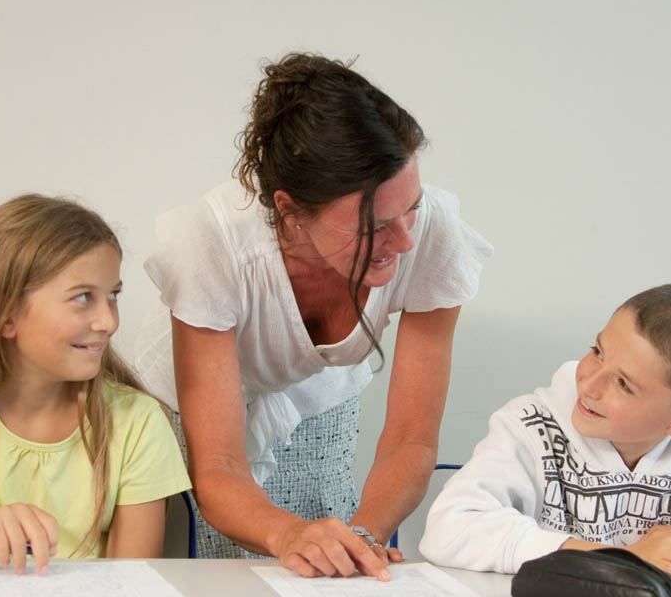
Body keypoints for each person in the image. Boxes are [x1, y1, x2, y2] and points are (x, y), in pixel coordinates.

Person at [135, 52, 493, 580]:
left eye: (412, 207)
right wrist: (286, 534)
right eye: (375, 225)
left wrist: (363, 541)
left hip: (317, 385)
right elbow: (219, 469)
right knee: (223, 564)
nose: (405, 241)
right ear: (289, 211)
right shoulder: (209, 244)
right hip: (194, 393)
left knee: (330, 544)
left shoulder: (430, 232)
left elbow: (410, 441)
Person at [419, 283, 671, 591]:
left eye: (624, 384)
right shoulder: (530, 426)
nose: (589, 385)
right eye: (598, 351)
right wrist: (625, 558)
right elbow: (449, 529)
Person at [0, 195, 191, 575]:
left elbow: (129, 583)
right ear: (4, 314)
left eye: (113, 295)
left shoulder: (137, 422)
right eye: (82, 297)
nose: (108, 321)